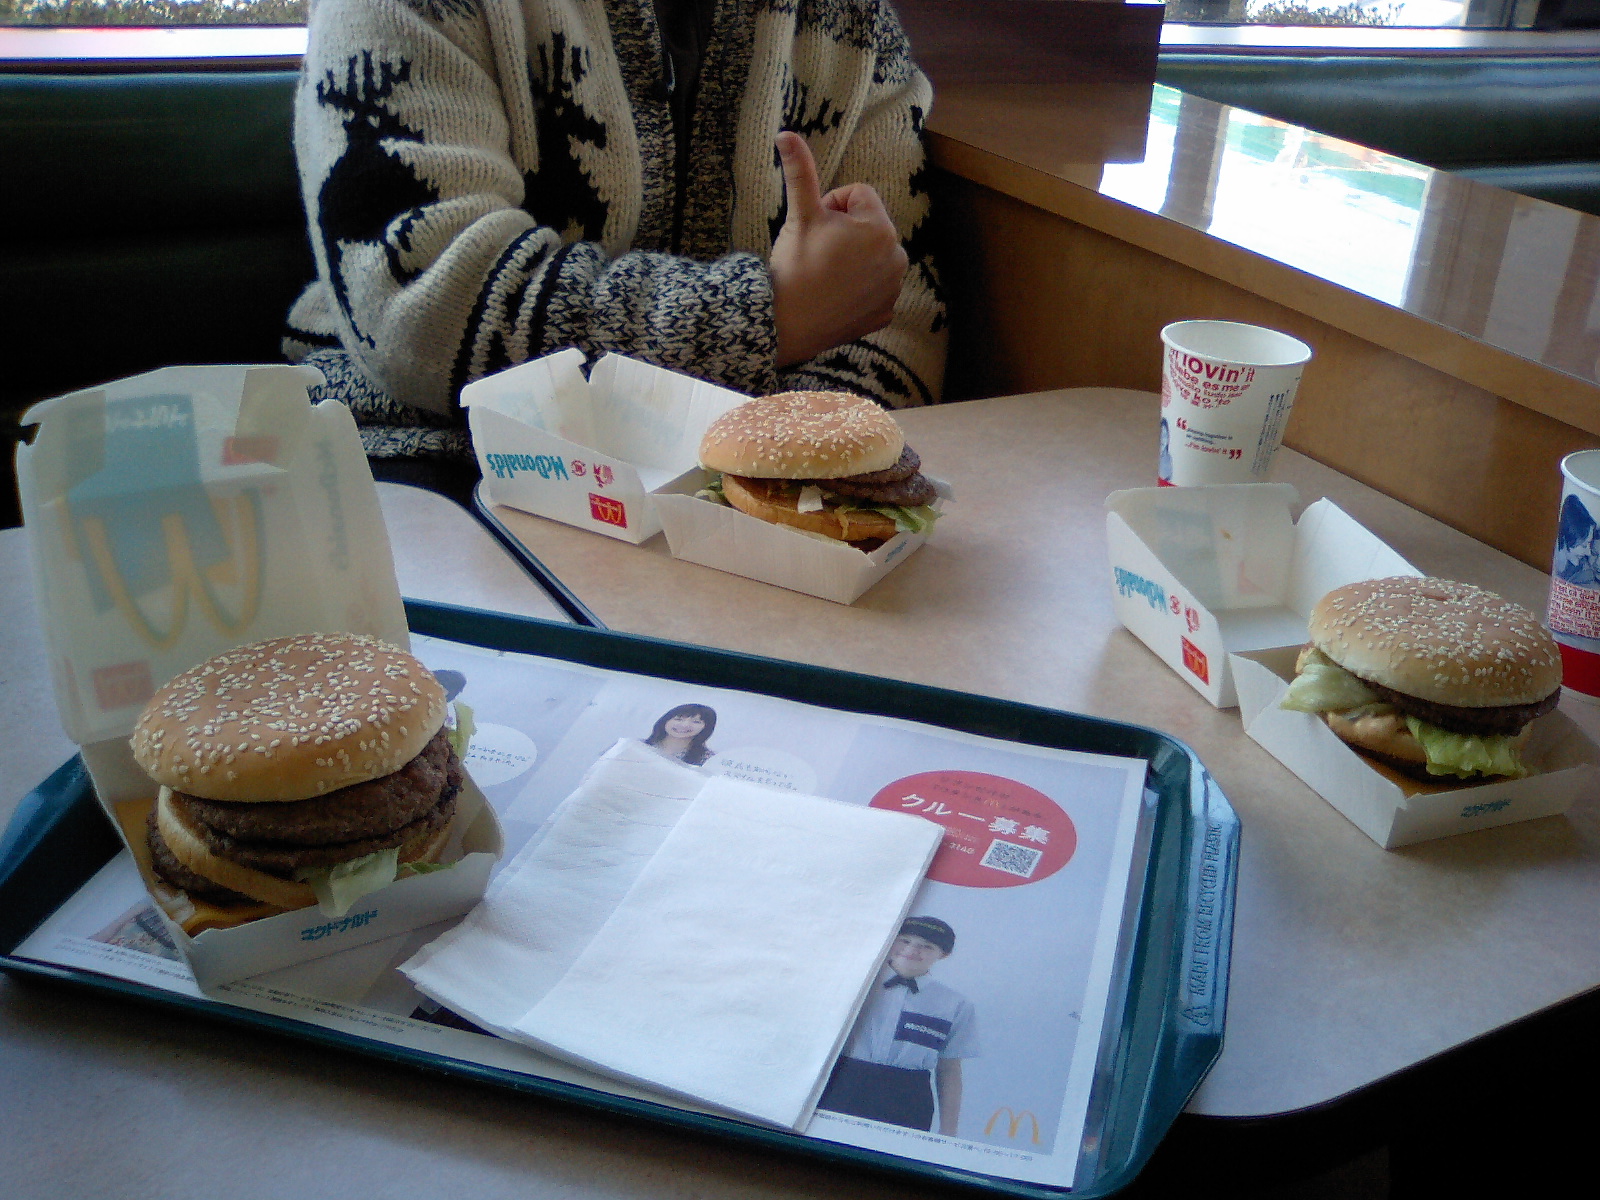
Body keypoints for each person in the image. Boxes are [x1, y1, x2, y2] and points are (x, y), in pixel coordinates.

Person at [284, 0, 947, 477]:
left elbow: (897, 329)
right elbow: (422, 311)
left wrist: (748, 475)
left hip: (734, 495)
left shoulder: (856, 20)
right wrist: (765, 318)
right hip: (425, 454)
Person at [817, 915, 979, 1136]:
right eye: (905, 940)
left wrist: (949, 1130)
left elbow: (949, 1069)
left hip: (907, 1094)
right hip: (842, 1081)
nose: (912, 950)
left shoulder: (954, 1004)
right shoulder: (853, 982)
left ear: (944, 954)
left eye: (927, 946)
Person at [641, 702, 718, 765]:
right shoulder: (639, 745)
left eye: (696, 722)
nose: (684, 725)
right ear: (665, 721)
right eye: (678, 719)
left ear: (706, 727)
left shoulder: (709, 760)